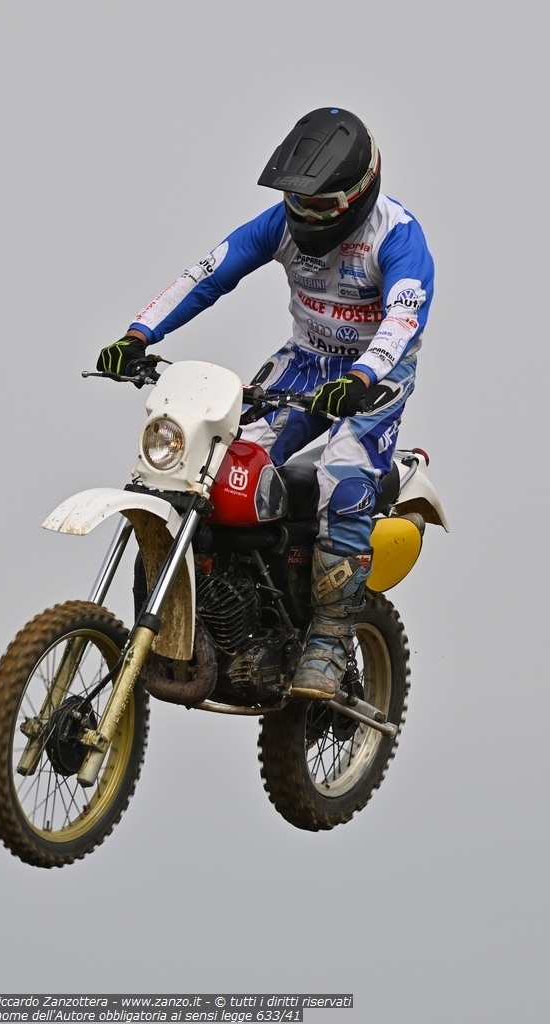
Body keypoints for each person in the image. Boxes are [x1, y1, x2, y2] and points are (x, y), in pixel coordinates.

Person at [98, 107, 434, 702]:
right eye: (295, 199)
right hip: (304, 360)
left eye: (317, 204)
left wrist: (363, 376)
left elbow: (403, 319)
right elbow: (207, 274)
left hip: (374, 375)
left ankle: (330, 637)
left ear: (356, 194)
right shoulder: (279, 223)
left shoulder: (398, 236)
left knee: (343, 477)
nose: (302, 213)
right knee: (222, 469)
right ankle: (220, 605)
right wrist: (138, 334)